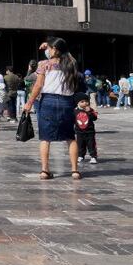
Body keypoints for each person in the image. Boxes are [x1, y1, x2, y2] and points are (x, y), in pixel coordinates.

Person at [23, 37, 82, 180]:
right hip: (66, 102)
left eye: (49, 49)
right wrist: (52, 46)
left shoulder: (43, 64)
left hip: (48, 101)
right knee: (70, 137)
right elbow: (66, 54)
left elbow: (38, 85)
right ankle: (75, 170)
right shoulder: (71, 63)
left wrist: (29, 102)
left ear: (54, 49)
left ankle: (45, 170)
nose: (47, 51)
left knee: (45, 138)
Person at [74, 94, 98, 164]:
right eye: (82, 102)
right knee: (80, 144)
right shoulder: (75, 110)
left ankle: (93, 156)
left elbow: (94, 118)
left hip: (89, 132)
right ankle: (81, 156)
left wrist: (89, 112)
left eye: (86, 101)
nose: (85, 103)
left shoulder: (90, 110)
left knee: (91, 144)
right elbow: (73, 119)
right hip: (79, 132)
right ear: (78, 103)